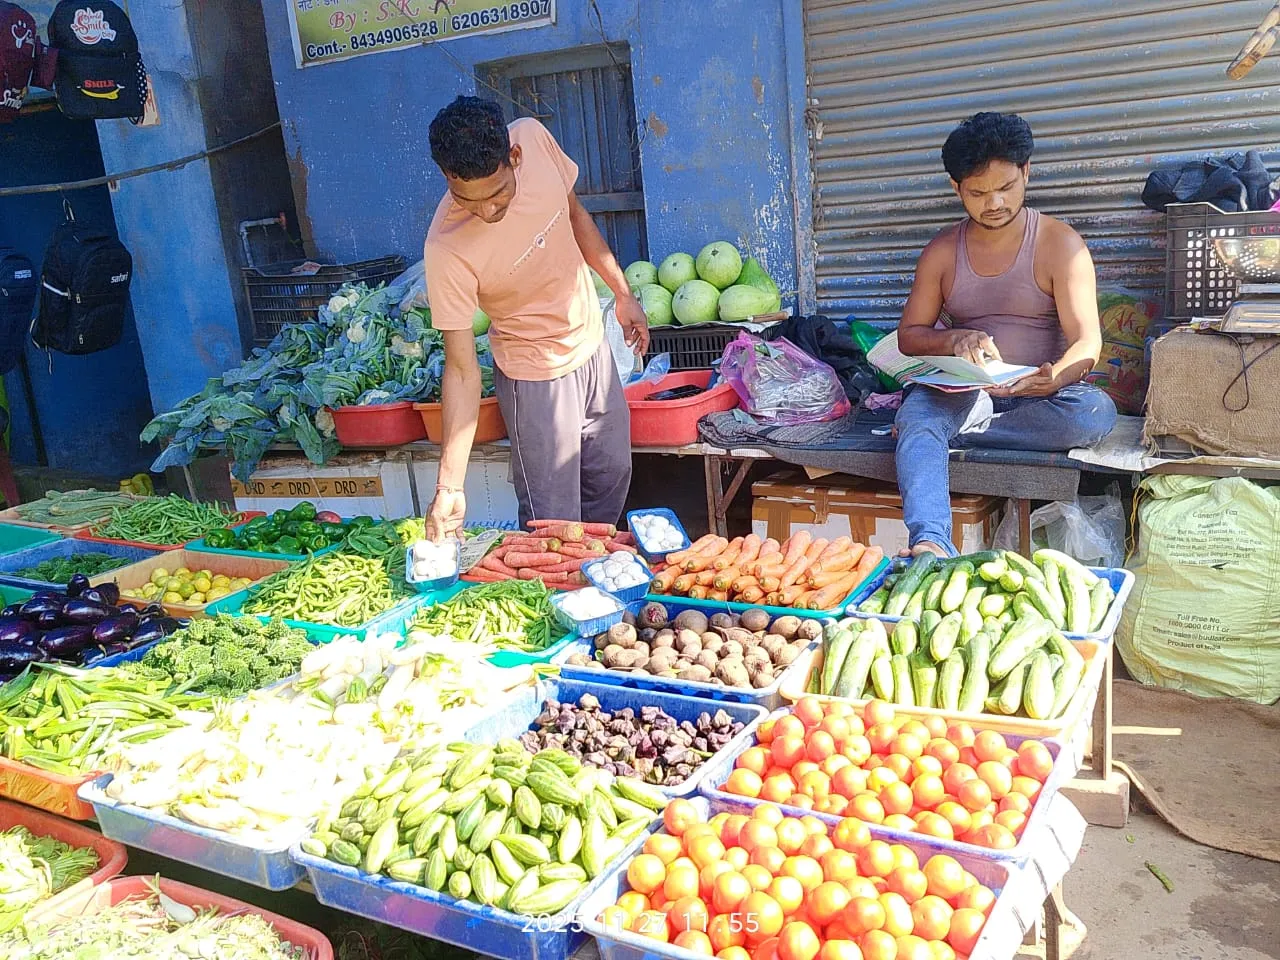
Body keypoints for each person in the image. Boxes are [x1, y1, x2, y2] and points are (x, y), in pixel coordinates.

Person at [422, 96, 649, 540]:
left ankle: (594, 581)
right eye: (468, 201)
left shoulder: (534, 139)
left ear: (515, 158)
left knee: (611, 480)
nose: (487, 211)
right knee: (554, 522)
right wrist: (449, 486)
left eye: (497, 193)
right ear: (448, 179)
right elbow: (462, 370)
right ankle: (557, 597)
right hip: (534, 378)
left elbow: (575, 215)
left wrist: (622, 294)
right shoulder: (445, 250)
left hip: (592, 348)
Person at [893, 112, 1117, 557]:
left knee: (1094, 412)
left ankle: (968, 433)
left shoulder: (1060, 244)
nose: (993, 202)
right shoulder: (941, 251)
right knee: (918, 416)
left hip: (1041, 397)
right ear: (956, 188)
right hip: (965, 391)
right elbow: (910, 336)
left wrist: (1055, 378)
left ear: (1026, 172)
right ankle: (931, 542)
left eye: (1006, 187)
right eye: (977, 192)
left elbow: (1087, 341)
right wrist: (952, 340)